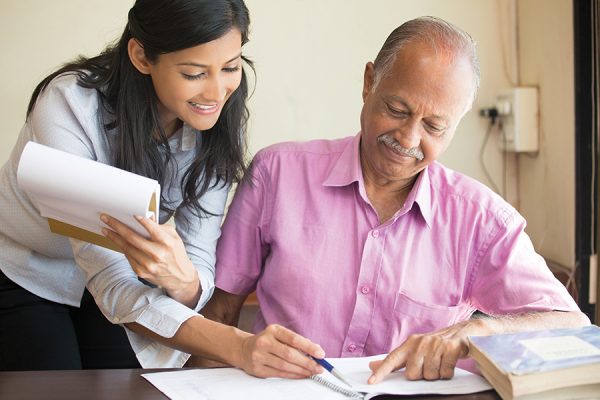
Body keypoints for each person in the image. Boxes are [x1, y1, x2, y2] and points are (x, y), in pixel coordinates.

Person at [202, 16, 591, 383]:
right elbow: (218, 313)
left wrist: (477, 330)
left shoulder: (481, 220)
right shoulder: (276, 174)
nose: (407, 139)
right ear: (369, 81)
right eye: (397, 110)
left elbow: (572, 325)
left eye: (434, 126)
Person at [0, 0, 325, 377]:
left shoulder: (218, 117)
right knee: (53, 382)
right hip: (28, 269)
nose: (217, 92)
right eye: (194, 73)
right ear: (140, 56)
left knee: (128, 384)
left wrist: (184, 280)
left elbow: (199, 261)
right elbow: (109, 276)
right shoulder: (70, 104)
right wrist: (238, 345)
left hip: (115, 278)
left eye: (231, 67)